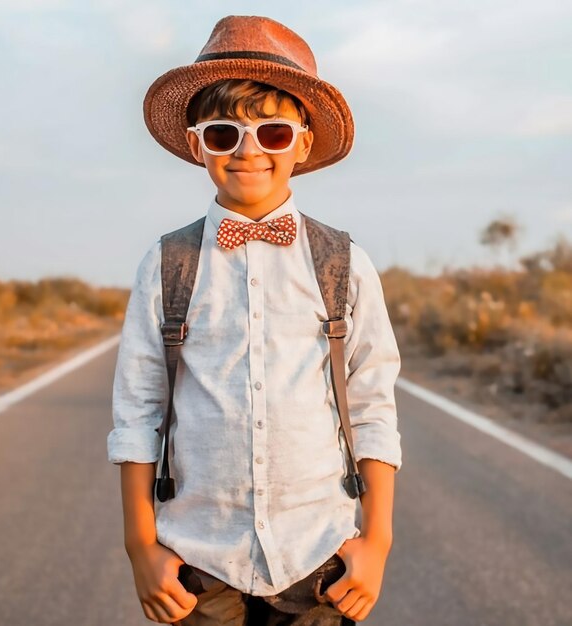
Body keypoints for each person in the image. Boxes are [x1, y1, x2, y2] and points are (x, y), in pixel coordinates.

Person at [107, 15, 403, 626]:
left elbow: (372, 404)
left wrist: (376, 542)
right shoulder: (167, 264)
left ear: (301, 141)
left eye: (271, 132)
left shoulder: (344, 263)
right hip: (196, 557)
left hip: (318, 557)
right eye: (223, 135)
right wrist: (141, 545)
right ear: (197, 146)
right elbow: (138, 408)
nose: (248, 151)